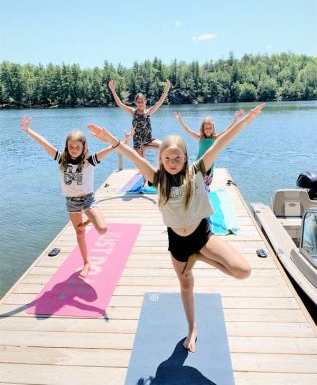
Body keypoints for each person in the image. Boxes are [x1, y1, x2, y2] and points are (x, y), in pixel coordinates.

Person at [87, 103, 265, 352]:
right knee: (185, 284)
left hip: (202, 237)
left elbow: (219, 143)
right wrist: (114, 142)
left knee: (242, 271)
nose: (172, 162)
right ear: (160, 159)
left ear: (185, 158)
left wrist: (244, 121)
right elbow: (135, 156)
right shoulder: (157, 178)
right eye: (167, 158)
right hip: (177, 244)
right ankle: (192, 328)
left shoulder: (196, 171)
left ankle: (198, 258)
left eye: (177, 157)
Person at [21, 116, 133, 278]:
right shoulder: (62, 159)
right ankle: (86, 262)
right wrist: (28, 130)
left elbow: (112, 149)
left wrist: (124, 141)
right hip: (71, 202)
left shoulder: (90, 161)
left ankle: (89, 221)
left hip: (88, 199)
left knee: (102, 229)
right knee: (79, 233)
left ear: (83, 147)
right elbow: (44, 143)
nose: (73, 149)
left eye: (77, 147)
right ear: (67, 147)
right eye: (70, 146)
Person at [174, 109, 244, 191]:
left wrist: (235, 120)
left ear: (213, 128)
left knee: (206, 184)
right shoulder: (200, 138)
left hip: (209, 166)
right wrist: (180, 121)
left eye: (210, 127)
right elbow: (188, 131)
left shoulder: (215, 138)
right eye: (206, 128)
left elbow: (227, 130)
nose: (208, 129)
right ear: (203, 129)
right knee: (195, 183)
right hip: (199, 163)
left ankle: (206, 192)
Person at [108, 79, 171, 157]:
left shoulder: (148, 112)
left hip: (149, 140)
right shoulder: (133, 112)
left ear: (145, 102)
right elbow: (120, 104)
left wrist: (167, 89)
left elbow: (160, 102)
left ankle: (146, 147)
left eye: (142, 101)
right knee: (141, 164)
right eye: (138, 102)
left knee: (165, 147)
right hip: (138, 143)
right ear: (135, 103)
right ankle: (143, 148)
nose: (140, 103)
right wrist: (113, 91)